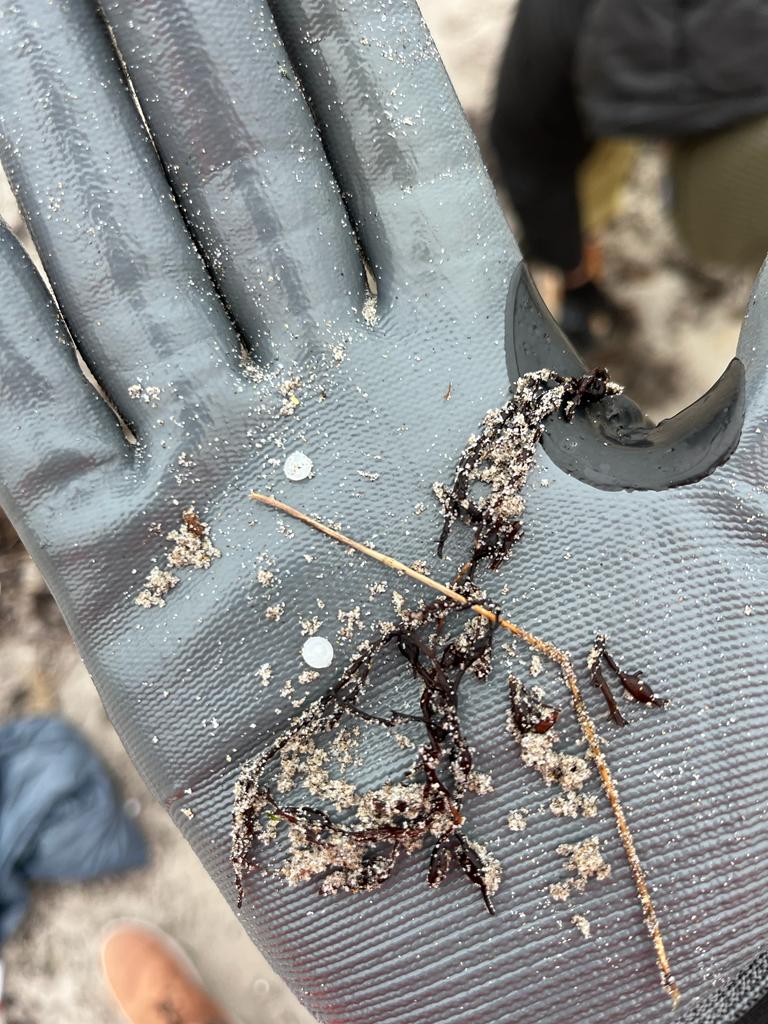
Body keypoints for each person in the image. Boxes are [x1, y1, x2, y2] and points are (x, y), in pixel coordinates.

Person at [491, 0, 768, 351]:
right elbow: (525, 155)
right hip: (566, 109)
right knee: (574, 204)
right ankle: (575, 271)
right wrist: (570, 266)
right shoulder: (552, 56)